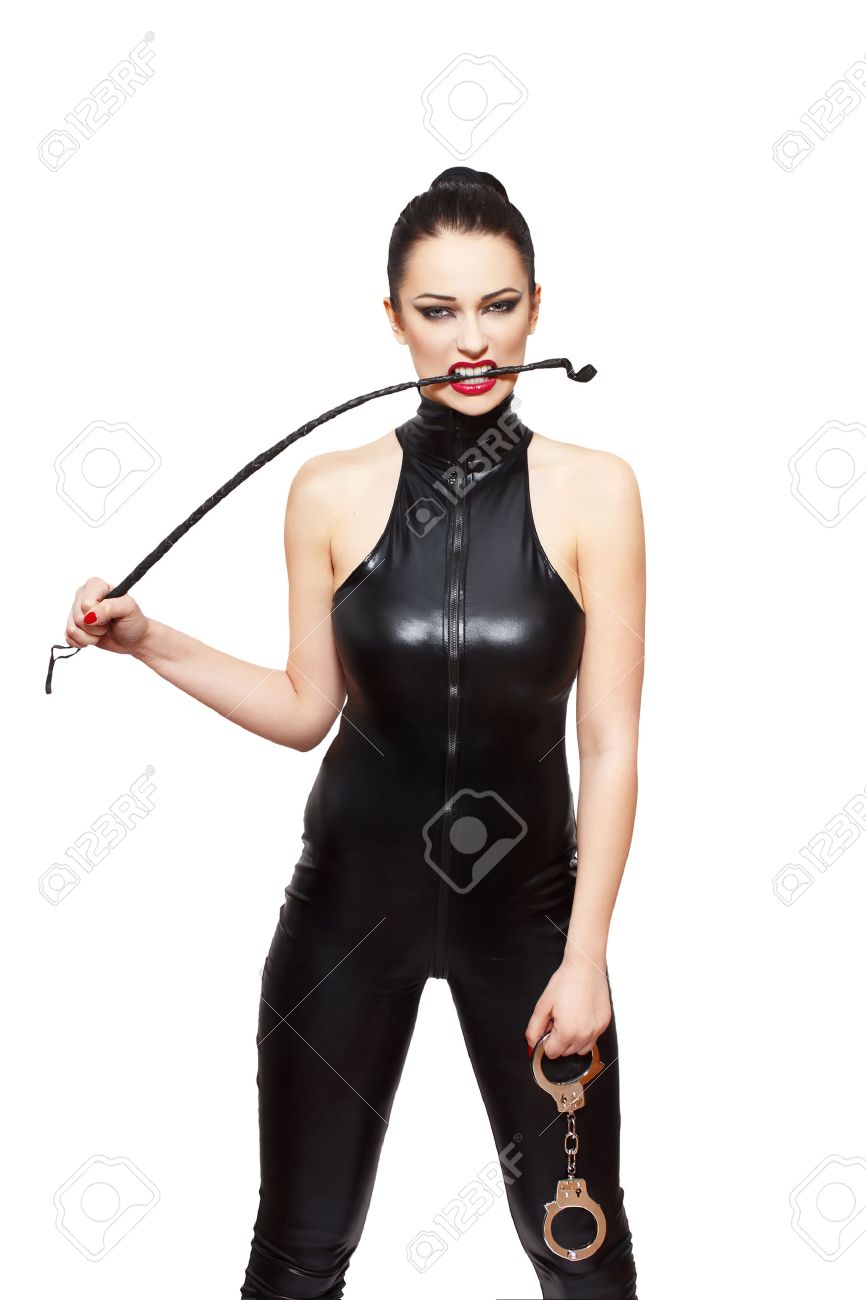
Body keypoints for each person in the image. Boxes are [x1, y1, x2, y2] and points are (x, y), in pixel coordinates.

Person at [64, 166, 645, 1299]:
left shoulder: (599, 492)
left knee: (581, 1254)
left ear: (536, 308)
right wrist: (147, 640)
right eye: (438, 310)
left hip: (530, 923)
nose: (471, 339)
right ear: (392, 318)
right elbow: (303, 709)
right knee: (298, 1259)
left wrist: (585, 957)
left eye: (498, 305)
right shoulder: (327, 490)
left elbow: (611, 744)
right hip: (344, 913)